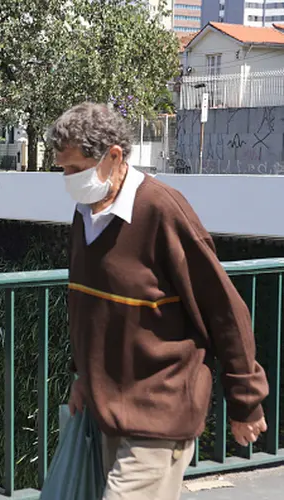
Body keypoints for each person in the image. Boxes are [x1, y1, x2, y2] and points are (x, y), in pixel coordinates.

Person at [46, 102, 269, 500]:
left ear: (114, 156)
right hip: (106, 410)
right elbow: (88, 306)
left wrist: (246, 401)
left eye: (74, 169)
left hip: (159, 411)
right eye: (62, 170)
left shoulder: (162, 210)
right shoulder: (84, 214)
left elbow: (224, 309)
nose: (67, 180)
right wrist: (81, 375)